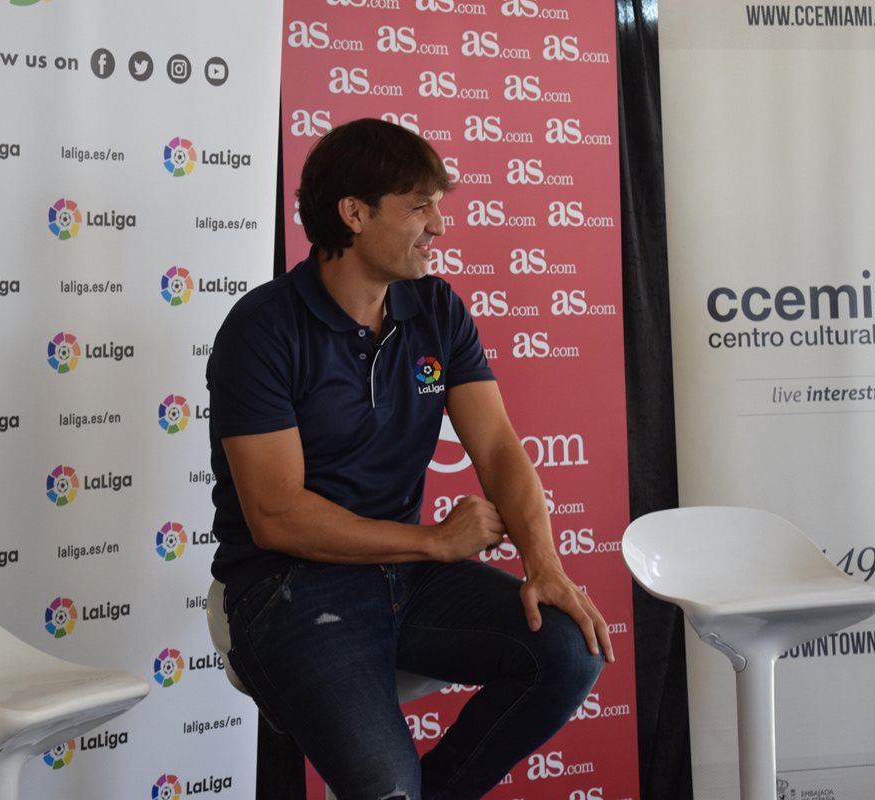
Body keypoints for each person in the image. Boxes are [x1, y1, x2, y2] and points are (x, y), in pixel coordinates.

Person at [206, 118, 612, 800]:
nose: (439, 228)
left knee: (570, 651)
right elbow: (276, 516)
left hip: (409, 577)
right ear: (354, 213)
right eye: (420, 207)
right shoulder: (262, 329)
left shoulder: (434, 307)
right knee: (386, 786)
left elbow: (499, 448)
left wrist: (545, 566)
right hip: (288, 587)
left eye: (438, 206)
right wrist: (433, 541)